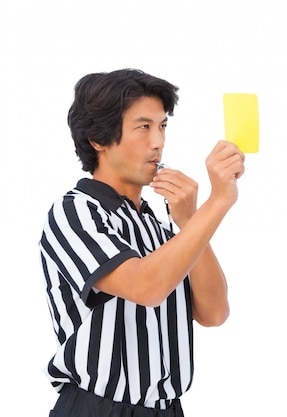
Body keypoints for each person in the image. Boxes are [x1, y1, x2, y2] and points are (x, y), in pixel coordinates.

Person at [39, 68, 245, 416]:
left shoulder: (157, 225)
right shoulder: (74, 212)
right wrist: (218, 202)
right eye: (143, 126)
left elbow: (214, 312)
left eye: (162, 126)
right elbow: (146, 286)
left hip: (167, 408)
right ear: (98, 138)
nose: (158, 142)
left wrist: (190, 219)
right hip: (97, 408)